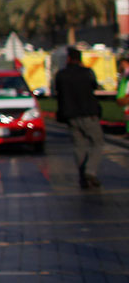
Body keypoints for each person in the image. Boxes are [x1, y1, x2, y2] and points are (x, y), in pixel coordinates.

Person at [55, 46, 104, 189]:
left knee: (79, 146)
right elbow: (94, 87)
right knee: (97, 143)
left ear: (69, 59)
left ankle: (84, 178)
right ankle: (90, 171)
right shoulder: (87, 72)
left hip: (71, 116)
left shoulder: (61, 74)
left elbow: (58, 93)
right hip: (89, 114)